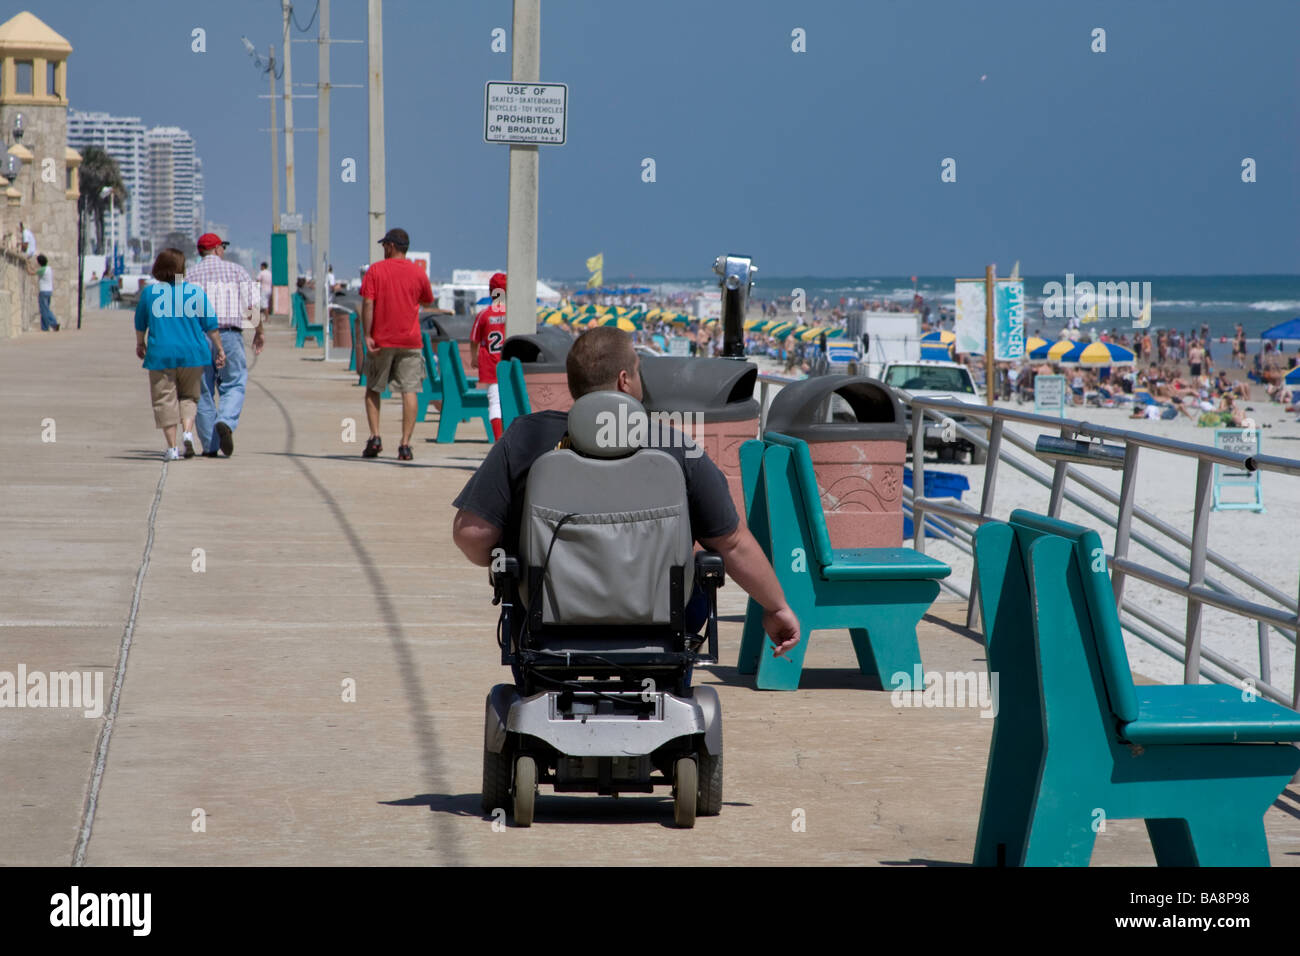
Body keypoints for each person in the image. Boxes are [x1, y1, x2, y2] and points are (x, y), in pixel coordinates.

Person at [451, 326, 801, 661]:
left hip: (544, 625)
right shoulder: (675, 447)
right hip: (661, 625)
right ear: (623, 380)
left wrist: (511, 561)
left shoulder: (525, 437)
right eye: (638, 370)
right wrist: (777, 608)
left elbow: (471, 535)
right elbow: (732, 544)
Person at [134, 248, 225, 460]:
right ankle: (187, 432)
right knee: (189, 397)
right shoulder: (195, 292)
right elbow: (210, 325)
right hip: (193, 354)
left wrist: (140, 343)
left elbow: (140, 323)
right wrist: (219, 348)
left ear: (158, 268)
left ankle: (173, 447)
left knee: (164, 400)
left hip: (161, 355)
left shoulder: (150, 293)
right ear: (181, 269)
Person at [359, 227, 434, 461]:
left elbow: (368, 304)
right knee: (409, 390)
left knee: (374, 388)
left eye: (384, 246)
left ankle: (375, 437)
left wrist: (368, 335)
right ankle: (405, 445)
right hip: (410, 340)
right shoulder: (418, 273)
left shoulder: (376, 271)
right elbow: (427, 301)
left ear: (391, 246)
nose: (383, 250)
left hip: (382, 340)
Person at [188, 233, 262, 457]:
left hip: (198, 337)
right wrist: (259, 332)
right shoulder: (237, 271)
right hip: (229, 335)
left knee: (202, 391)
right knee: (234, 383)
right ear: (218, 249)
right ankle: (226, 420)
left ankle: (211, 446)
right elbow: (253, 306)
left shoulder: (188, 275)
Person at [470, 272, 508, 440]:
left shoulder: (484, 314)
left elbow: (474, 340)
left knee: (495, 402)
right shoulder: (514, 313)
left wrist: (473, 357)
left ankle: (498, 439)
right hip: (510, 363)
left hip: (491, 364)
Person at [35, 254, 58, 331]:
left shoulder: (42, 269)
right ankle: (44, 327)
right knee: (45, 309)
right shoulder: (48, 268)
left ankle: (53, 323)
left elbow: (31, 272)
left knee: (45, 310)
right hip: (49, 291)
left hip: (43, 291)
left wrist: (27, 264)